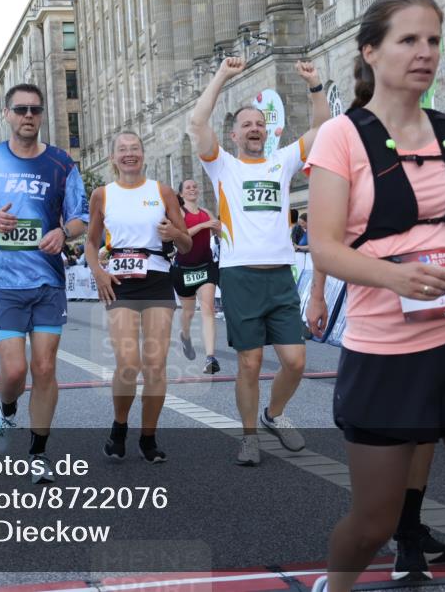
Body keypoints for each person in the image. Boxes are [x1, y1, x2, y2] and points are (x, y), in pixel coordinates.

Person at [304, 0, 445, 592]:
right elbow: (323, 246)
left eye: (432, 40)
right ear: (371, 51)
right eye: (408, 40)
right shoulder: (341, 138)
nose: (424, 53)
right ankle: (337, 584)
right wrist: (397, 275)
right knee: (373, 522)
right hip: (386, 352)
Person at [187, 56, 329, 465]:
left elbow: (321, 128)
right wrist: (220, 75)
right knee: (248, 363)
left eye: (259, 124)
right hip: (240, 277)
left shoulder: (281, 161)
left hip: (280, 277)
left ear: (267, 131)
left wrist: (316, 85)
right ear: (233, 135)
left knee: (296, 361)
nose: (254, 129)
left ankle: (274, 415)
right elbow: (197, 123)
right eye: (246, 125)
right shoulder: (221, 165)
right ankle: (249, 435)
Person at [0, 82, 89, 484]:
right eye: (21, 110)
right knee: (15, 372)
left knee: (45, 367)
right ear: (7, 114)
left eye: (35, 109)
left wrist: (63, 234)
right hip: (4, 282)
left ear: (42, 113)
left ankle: (38, 452)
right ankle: (7, 411)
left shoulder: (61, 163)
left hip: (48, 280)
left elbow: (81, 218)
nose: (28, 116)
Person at [86, 132, 192, 463]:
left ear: (143, 155)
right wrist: (98, 273)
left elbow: (186, 243)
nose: (129, 154)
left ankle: (148, 437)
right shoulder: (102, 194)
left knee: (156, 366)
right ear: (113, 158)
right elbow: (91, 243)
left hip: (158, 279)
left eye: (135, 149)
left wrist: (175, 234)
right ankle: (119, 427)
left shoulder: (161, 192)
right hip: (121, 281)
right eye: (122, 150)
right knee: (129, 364)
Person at [171, 179, 222, 375]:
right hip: (183, 268)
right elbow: (180, 235)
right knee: (189, 312)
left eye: (195, 186)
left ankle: (210, 357)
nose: (193, 189)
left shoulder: (205, 213)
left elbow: (220, 231)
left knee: (208, 308)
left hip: (205, 266)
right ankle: (185, 336)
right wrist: (203, 226)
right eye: (188, 187)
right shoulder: (180, 213)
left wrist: (219, 230)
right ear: (182, 194)